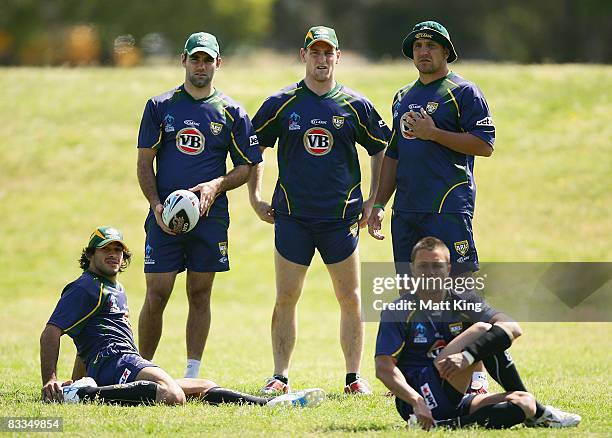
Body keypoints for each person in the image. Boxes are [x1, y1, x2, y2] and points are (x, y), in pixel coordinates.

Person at [248, 26, 390, 394]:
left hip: (340, 221)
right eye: (316, 52)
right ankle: (279, 375)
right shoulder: (282, 102)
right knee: (286, 297)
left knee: (351, 298)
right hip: (293, 217)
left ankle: (353, 377)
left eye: (329, 53)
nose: (322, 59)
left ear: (338, 57)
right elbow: (253, 149)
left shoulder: (354, 105)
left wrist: (373, 199)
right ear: (304, 55)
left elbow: (382, 149)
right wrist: (256, 196)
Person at [40, 226, 325, 408]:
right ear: (90, 254)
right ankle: (83, 396)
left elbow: (85, 341)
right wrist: (52, 380)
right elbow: (51, 332)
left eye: (118, 250)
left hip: (118, 364)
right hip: (116, 362)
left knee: (203, 385)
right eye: (106, 249)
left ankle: (269, 404)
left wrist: (77, 380)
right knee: (171, 394)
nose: (113, 255)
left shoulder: (114, 287)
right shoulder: (85, 287)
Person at [136, 32, 262, 378]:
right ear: (184, 61)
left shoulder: (232, 111)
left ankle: (191, 373)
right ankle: (138, 370)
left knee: (200, 292)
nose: (201, 66)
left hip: (210, 218)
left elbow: (246, 166)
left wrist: (216, 185)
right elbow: (145, 163)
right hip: (165, 217)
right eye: (196, 59)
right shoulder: (160, 107)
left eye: (208, 60)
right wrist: (156, 205)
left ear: (218, 63)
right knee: (157, 292)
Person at [374, 236, 581, 429]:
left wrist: (468, 357)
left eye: (437, 266)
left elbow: (512, 327)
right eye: (423, 266)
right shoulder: (398, 311)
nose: (430, 273)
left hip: (454, 390)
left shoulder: (463, 300)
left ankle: (446, 424)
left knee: (524, 403)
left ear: (448, 268)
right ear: (412, 269)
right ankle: (541, 415)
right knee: (482, 329)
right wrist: (416, 401)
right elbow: (383, 368)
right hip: (419, 397)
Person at [368, 21, 495, 275]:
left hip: (447, 207)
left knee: (456, 290)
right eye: (418, 46)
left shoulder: (463, 92)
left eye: (431, 46)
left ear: (446, 52)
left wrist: (434, 134)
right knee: (409, 292)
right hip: (406, 211)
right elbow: (394, 152)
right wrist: (380, 204)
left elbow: (484, 144)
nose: (423, 51)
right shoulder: (402, 96)